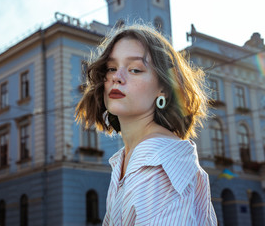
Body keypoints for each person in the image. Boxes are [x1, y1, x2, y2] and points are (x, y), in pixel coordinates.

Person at [75, 24, 217, 225]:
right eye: (111, 68)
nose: (117, 77)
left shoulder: (157, 164)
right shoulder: (126, 159)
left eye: (135, 69)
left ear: (164, 89)